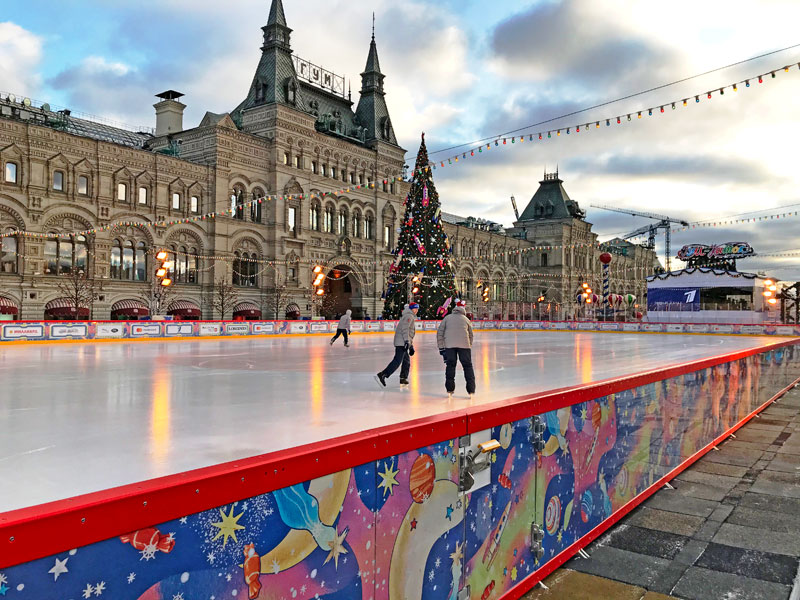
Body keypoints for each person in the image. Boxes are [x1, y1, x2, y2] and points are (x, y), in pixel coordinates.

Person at [436, 299, 475, 399]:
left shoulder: (447, 318)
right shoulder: (466, 319)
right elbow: (471, 335)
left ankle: (450, 389)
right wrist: (469, 345)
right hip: (465, 346)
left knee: (450, 366)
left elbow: (440, 333)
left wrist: (441, 348)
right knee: (467, 367)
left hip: (450, 346)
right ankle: (471, 390)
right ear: (463, 310)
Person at [375, 303, 419, 387]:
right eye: (414, 308)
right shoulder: (409, 316)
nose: (416, 310)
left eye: (417, 309)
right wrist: (406, 341)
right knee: (397, 361)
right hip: (401, 342)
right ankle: (383, 374)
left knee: (406, 361)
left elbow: (409, 333)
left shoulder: (408, 316)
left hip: (403, 342)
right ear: (411, 309)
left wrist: (411, 345)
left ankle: (403, 378)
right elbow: (405, 330)